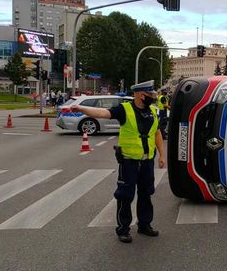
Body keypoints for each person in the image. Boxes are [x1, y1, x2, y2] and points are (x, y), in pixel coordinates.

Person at [70, 80, 166, 243]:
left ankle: (144, 225)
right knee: (125, 196)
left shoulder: (152, 111)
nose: (153, 97)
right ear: (141, 95)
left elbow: (157, 133)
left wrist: (162, 156)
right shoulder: (124, 110)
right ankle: (123, 229)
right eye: (150, 94)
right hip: (129, 162)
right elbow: (102, 113)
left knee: (146, 194)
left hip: (147, 161)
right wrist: (81, 108)